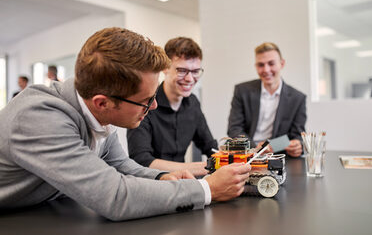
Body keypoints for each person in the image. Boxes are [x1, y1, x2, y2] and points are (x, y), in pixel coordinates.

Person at [0, 27, 252, 221]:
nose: (153, 106)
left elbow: (121, 165)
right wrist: (206, 189)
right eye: (146, 101)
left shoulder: (94, 109)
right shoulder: (38, 119)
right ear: (102, 103)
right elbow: (116, 197)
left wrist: (164, 177)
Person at [127, 37, 217, 176]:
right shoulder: (145, 103)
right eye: (182, 70)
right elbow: (141, 160)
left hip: (182, 182)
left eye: (195, 71)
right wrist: (205, 167)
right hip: (151, 184)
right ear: (165, 68)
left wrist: (237, 154)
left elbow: (210, 147)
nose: (189, 78)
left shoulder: (193, 103)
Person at [227, 42, 306, 157]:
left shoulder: (297, 98)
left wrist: (298, 145)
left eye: (271, 63)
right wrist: (256, 149)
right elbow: (234, 129)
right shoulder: (242, 91)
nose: (266, 69)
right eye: (261, 65)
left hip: (279, 156)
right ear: (256, 66)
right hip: (247, 154)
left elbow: (297, 136)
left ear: (282, 64)